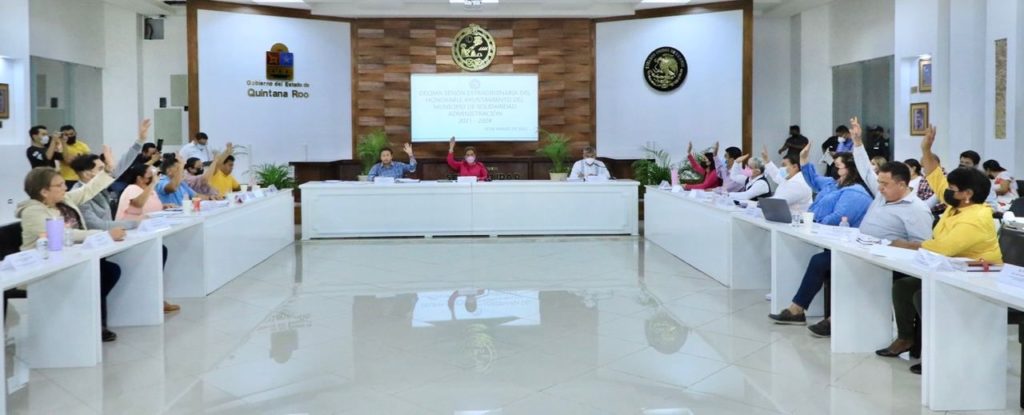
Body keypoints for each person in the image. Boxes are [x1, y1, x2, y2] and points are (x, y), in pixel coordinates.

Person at [770, 117, 933, 335]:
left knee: (849, 270)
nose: (879, 188)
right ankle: (797, 309)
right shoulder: (883, 194)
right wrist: (857, 142)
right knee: (821, 260)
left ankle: (835, 320)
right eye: (879, 183)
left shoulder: (917, 209)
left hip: (886, 260)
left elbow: (924, 246)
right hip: (861, 248)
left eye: (885, 184)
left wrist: (897, 245)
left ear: (902, 184)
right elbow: (865, 169)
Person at [880, 125, 1002, 374]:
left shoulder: (976, 218)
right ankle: (906, 338)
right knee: (903, 287)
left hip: (978, 275)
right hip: (949, 270)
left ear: (967, 194)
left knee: (922, 295)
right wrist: (926, 149)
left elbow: (943, 248)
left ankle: (939, 352)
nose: (947, 192)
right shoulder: (958, 203)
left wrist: (907, 245)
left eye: (952, 189)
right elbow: (935, 176)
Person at [16, 166, 122, 342]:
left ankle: (93, 320)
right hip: (46, 267)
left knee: (108, 271)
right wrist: (104, 234)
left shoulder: (64, 200)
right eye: (59, 185)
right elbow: (61, 235)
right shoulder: (32, 211)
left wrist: (107, 172)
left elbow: (88, 190)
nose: (65, 188)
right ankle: (90, 323)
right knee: (101, 274)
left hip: (76, 257)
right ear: (44, 191)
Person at [798, 141, 873, 226]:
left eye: (837, 165)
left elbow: (838, 217)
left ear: (849, 168)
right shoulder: (832, 183)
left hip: (828, 231)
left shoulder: (856, 192)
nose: (834, 168)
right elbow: (813, 179)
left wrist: (815, 224)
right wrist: (803, 158)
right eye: (834, 165)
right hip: (813, 226)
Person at [69, 152, 138, 232]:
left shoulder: (98, 187)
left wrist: (137, 146)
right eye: (100, 169)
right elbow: (96, 225)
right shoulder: (78, 197)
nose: (106, 172)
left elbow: (119, 169)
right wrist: (134, 223)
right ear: (86, 174)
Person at [761, 146, 812, 214]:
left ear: (795, 167)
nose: (781, 168)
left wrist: (759, 203)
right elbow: (776, 175)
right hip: (784, 215)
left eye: (784, 165)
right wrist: (766, 160)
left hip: (796, 218)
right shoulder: (789, 177)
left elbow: (777, 202)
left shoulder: (798, 183)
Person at [55, 125, 91, 190]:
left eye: (71, 134)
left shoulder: (82, 145)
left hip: (81, 178)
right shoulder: (60, 145)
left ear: (75, 133)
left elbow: (88, 162)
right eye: (66, 135)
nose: (69, 136)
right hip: (67, 178)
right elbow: (68, 161)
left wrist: (75, 159)